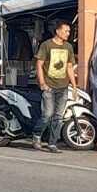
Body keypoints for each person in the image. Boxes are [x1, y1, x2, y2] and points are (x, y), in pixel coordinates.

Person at [33, 21, 76, 153]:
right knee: (47, 114)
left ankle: (52, 143)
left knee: (58, 116)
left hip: (63, 87)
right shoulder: (46, 45)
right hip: (49, 86)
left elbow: (69, 67)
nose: (68, 33)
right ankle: (37, 135)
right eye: (66, 31)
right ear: (57, 31)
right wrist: (42, 83)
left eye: (69, 31)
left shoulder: (68, 47)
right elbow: (39, 65)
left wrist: (74, 85)